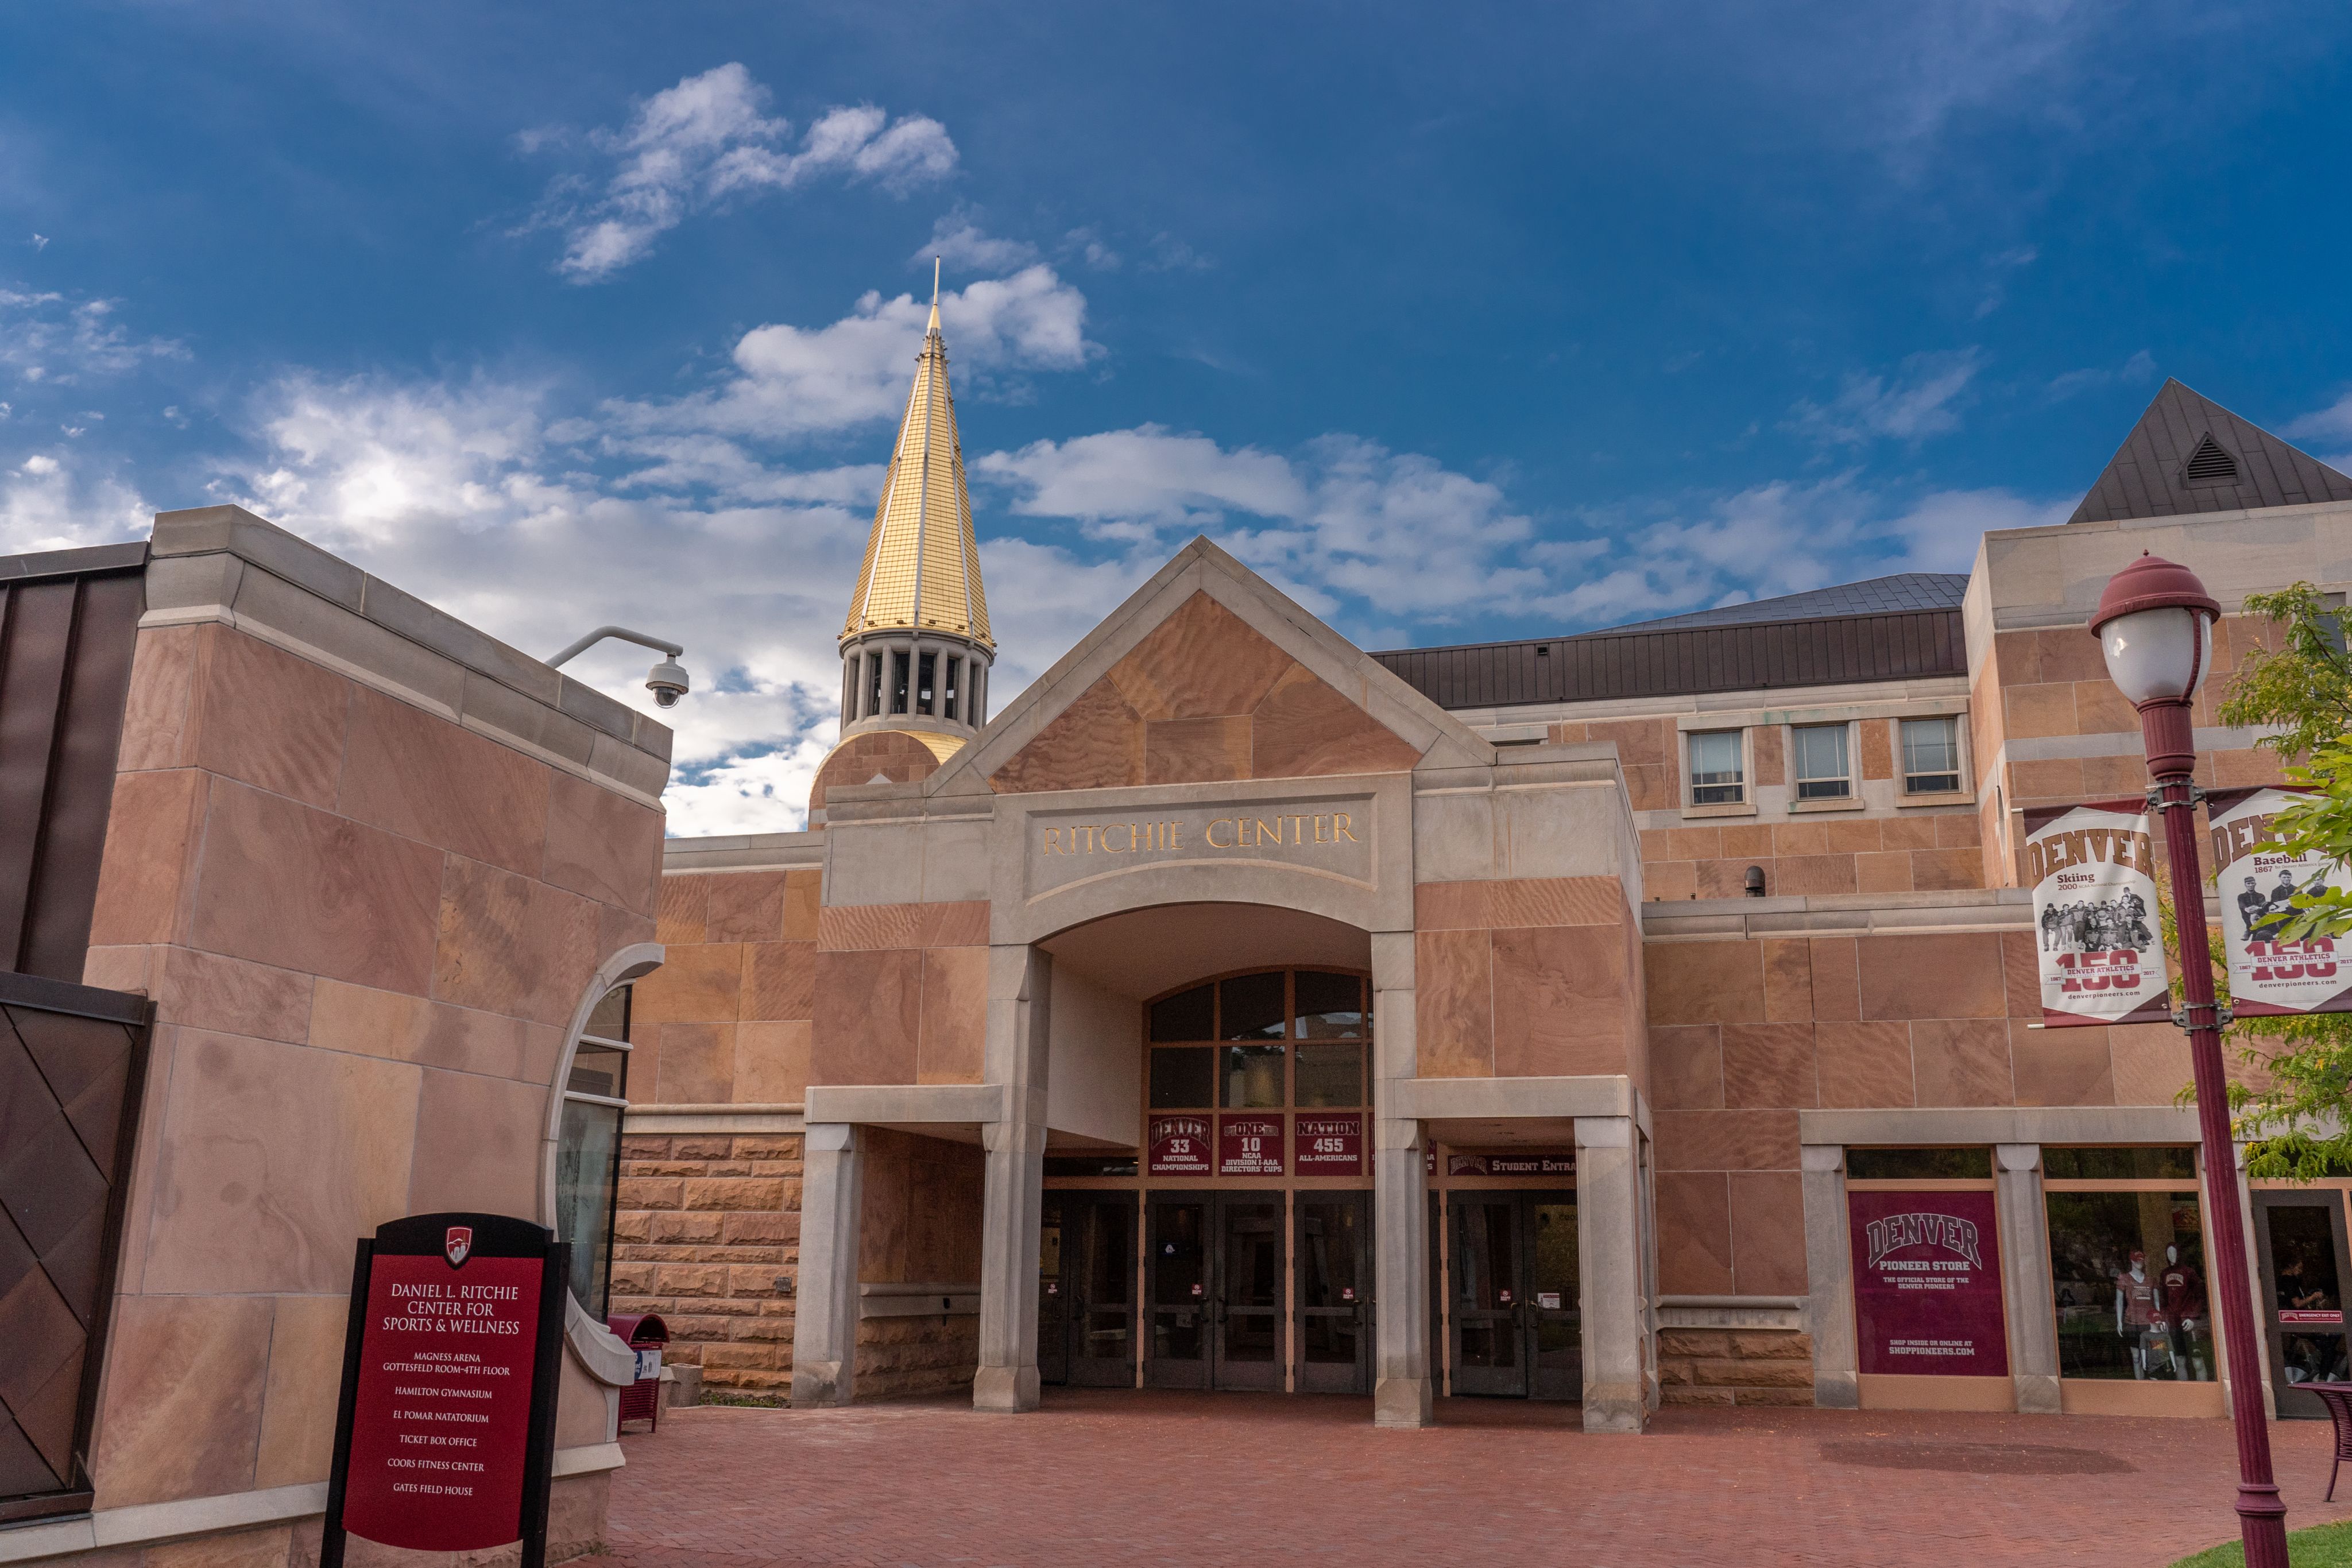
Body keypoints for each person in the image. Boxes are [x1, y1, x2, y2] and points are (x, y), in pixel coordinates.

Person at [2117, 1251, 2163, 1379]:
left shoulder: (2151, 1280)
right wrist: (2119, 1321)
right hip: (2133, 1323)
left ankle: (2154, 1384)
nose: (2140, 1263)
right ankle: (2140, 1384)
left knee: (2153, 1355)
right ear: (2132, 1261)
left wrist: (2160, 1320)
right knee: (2136, 1357)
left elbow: (2157, 1301)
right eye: (2137, 1260)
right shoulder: (2124, 1279)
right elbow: (2119, 1301)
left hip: (2150, 1323)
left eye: (2142, 1260)